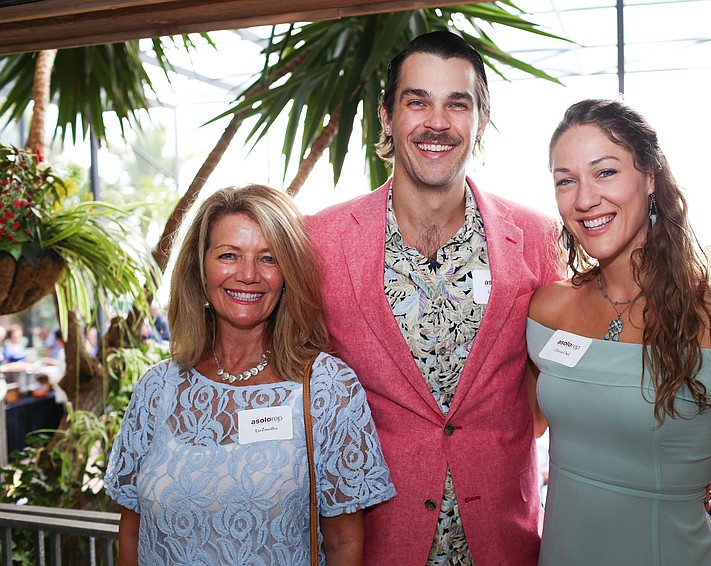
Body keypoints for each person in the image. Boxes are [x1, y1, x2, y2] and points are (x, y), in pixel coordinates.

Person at [307, 31, 561, 565]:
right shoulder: (320, 242)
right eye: (416, 101)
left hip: (504, 542)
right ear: (386, 117)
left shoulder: (539, 239)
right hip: (375, 543)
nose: (437, 122)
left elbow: (560, 388)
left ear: (481, 121)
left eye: (457, 103)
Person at [526, 99, 711, 565]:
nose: (584, 199)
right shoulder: (548, 311)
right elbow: (521, 427)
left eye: (605, 172)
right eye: (566, 180)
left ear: (650, 177)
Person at [105, 184, 395, 565]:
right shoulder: (157, 388)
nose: (247, 275)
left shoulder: (326, 389)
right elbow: (131, 533)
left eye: (269, 259)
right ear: (200, 268)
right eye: (228, 255)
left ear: (288, 273)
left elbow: (344, 545)